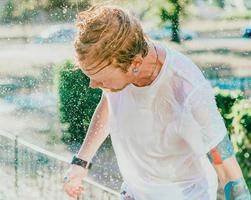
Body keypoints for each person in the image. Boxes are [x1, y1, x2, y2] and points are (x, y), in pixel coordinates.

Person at [63, 5, 251, 200]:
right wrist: (80, 162)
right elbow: (110, 105)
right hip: (134, 193)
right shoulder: (123, 54)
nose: (93, 85)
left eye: (100, 79)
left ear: (135, 64)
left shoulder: (188, 89)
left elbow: (228, 170)